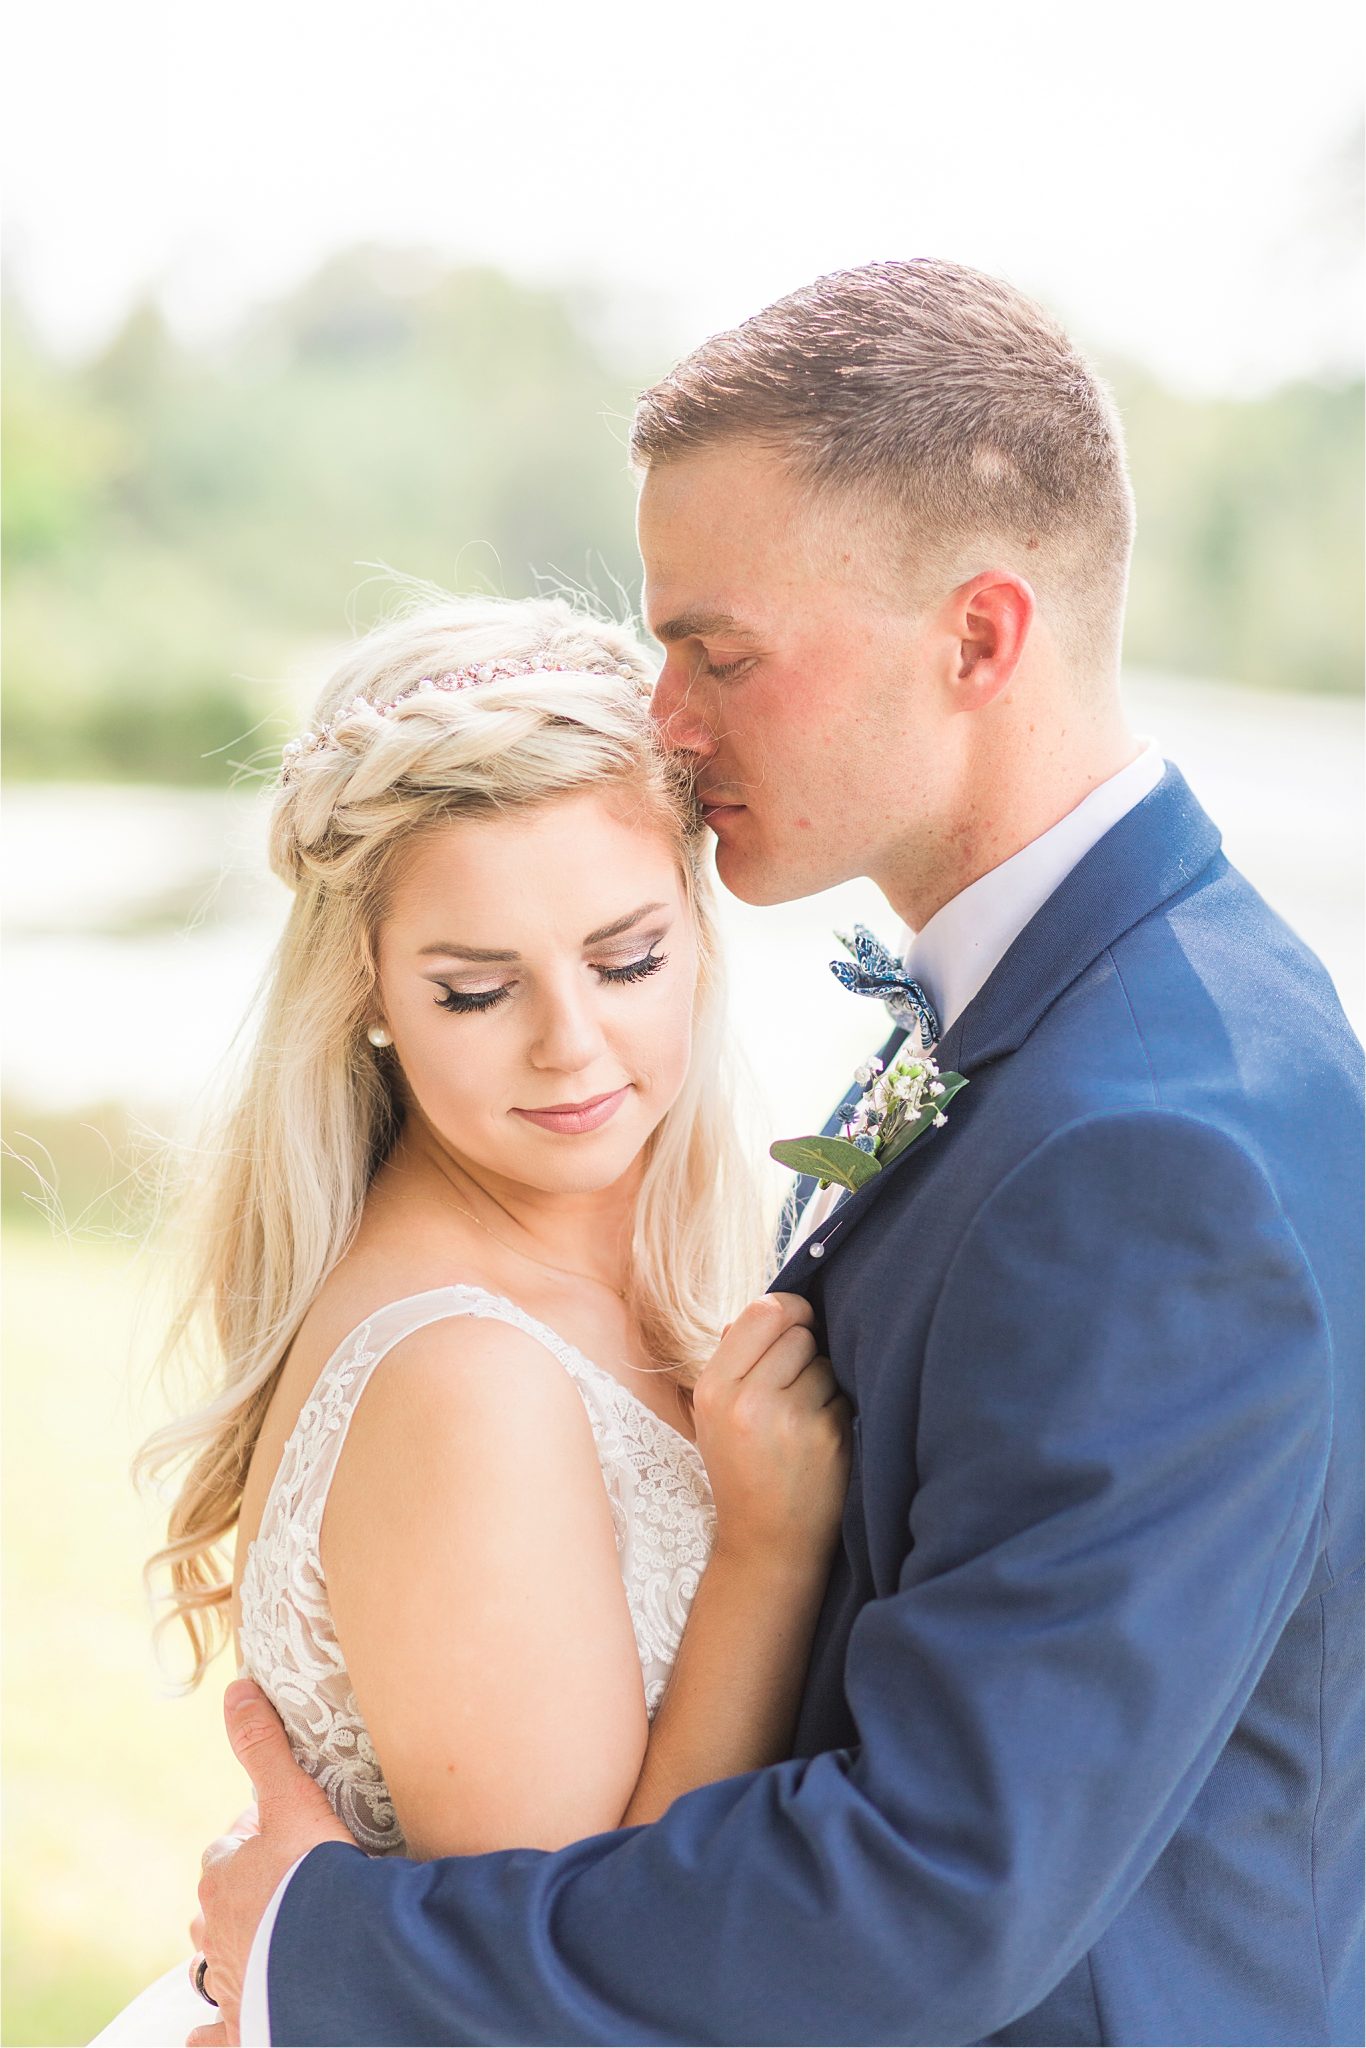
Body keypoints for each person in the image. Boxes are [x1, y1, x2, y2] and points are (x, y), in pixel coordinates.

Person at [193, 258, 1362, 2047]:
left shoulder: (1144, 1148)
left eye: (718, 651)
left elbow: (933, 1893)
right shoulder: (1114, 1003)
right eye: (663, 643)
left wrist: (322, 1951)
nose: (664, 716)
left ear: (978, 640)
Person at [89, 595, 852, 2046]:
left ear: (697, 925)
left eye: (624, 960)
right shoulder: (464, 1378)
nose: (570, 1043)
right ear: (370, 992)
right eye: (476, 990)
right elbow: (566, 1968)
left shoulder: (636, 1263)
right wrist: (767, 1546)